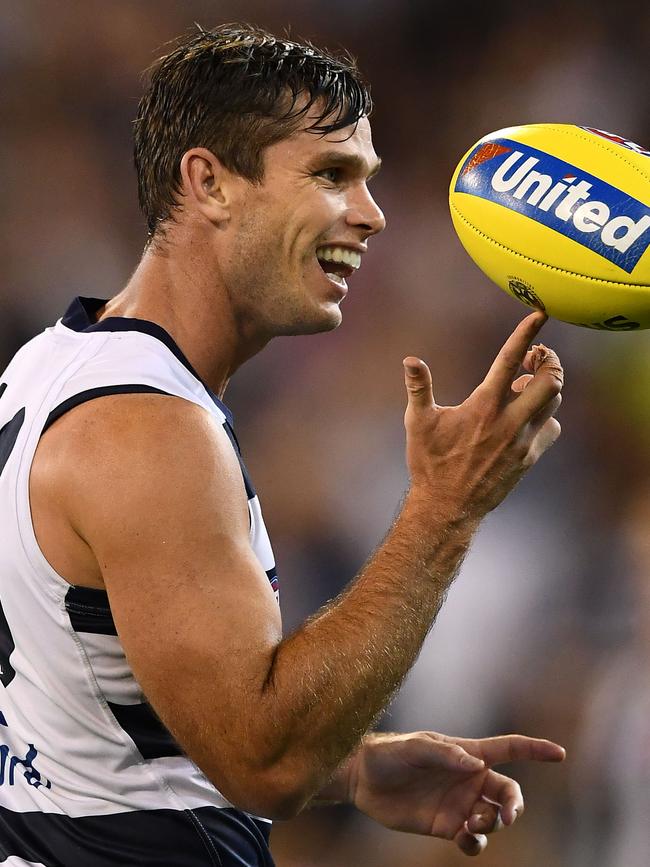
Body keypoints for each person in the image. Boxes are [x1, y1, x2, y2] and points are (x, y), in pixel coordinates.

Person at [0, 23, 565, 866]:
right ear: (210, 182)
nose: (372, 215)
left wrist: (353, 765)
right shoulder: (146, 428)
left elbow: (107, 710)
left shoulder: (53, 361)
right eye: (333, 175)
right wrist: (447, 507)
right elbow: (262, 760)